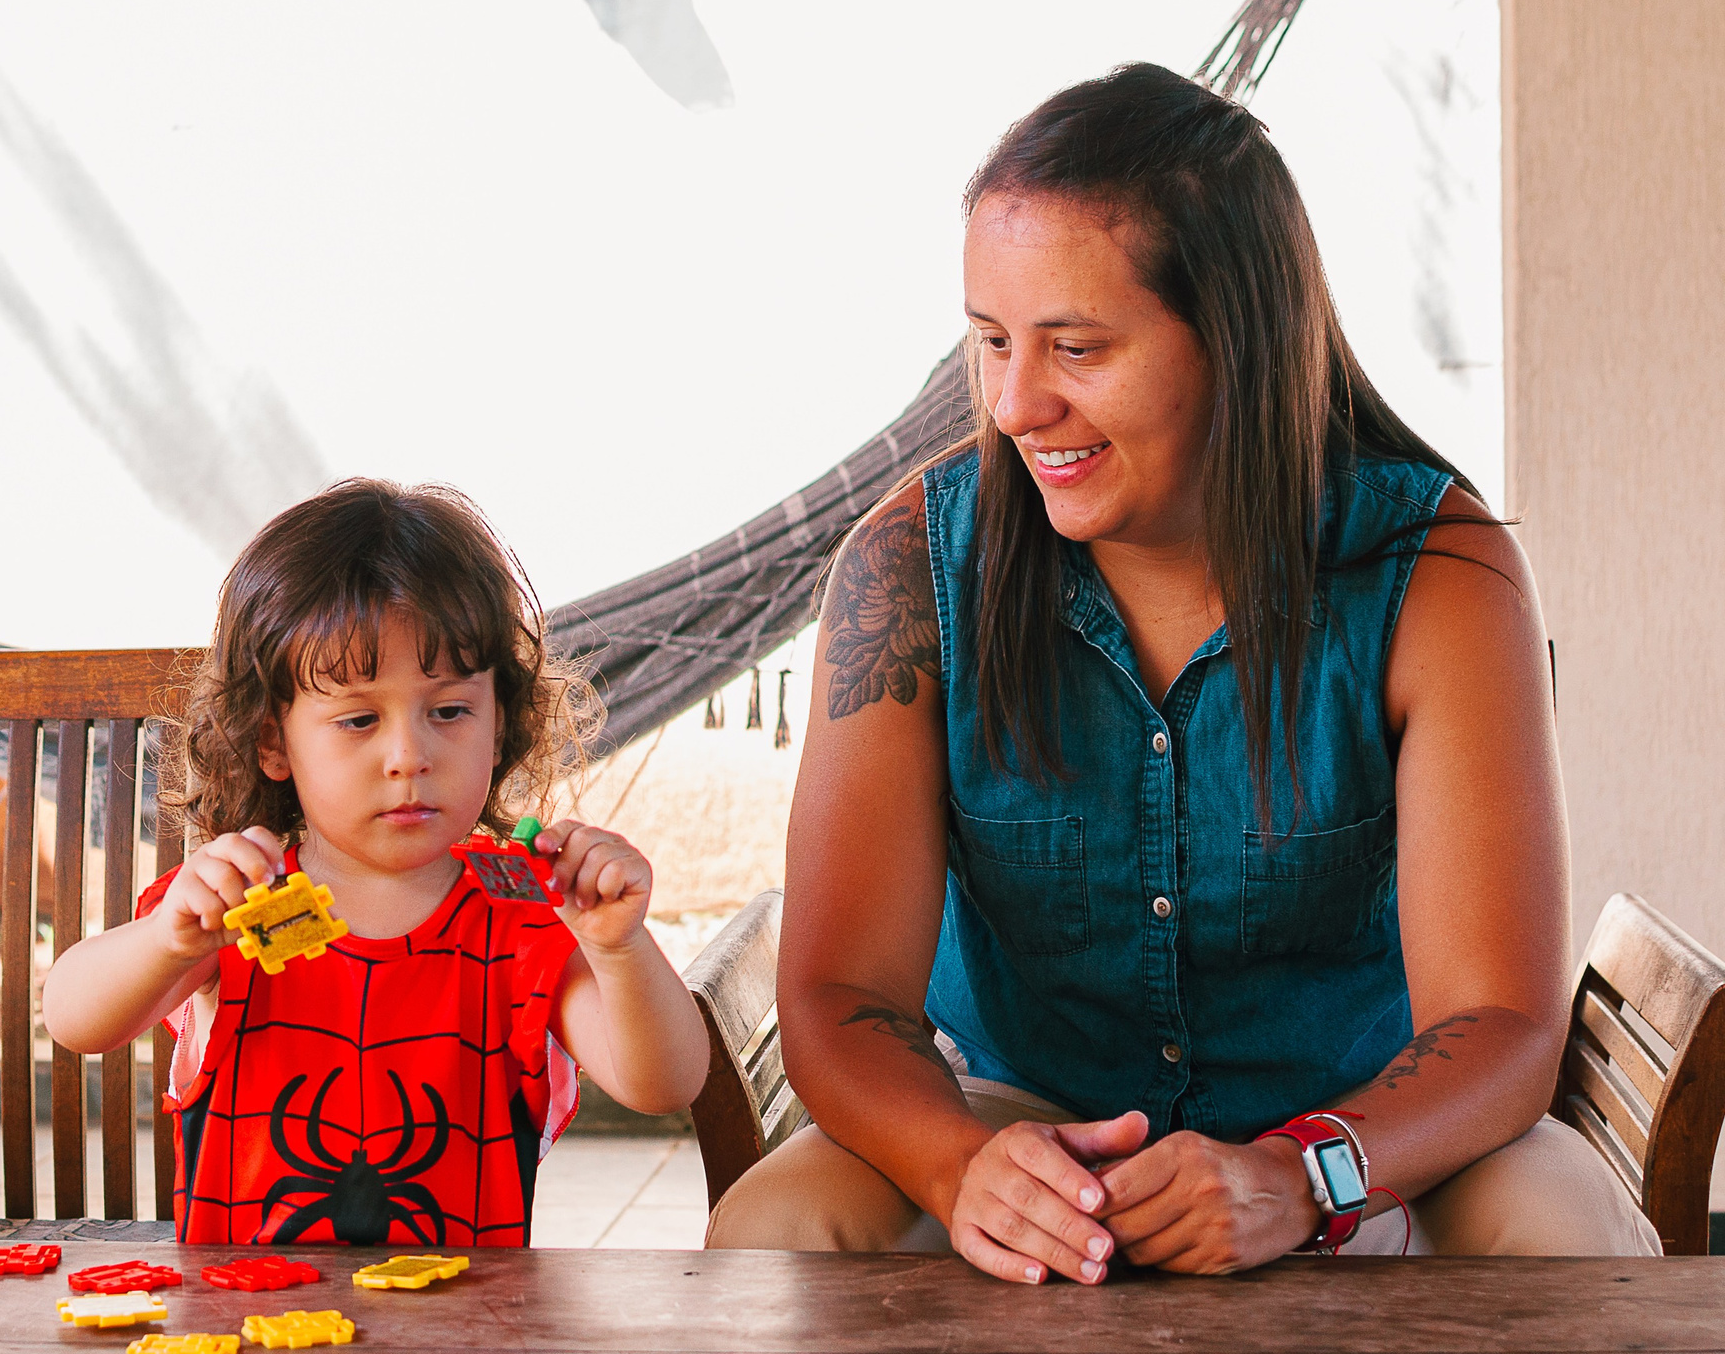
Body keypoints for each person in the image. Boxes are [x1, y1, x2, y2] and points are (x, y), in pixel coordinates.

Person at [706, 63, 1657, 1274]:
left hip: (1367, 1131)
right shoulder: (906, 571)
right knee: (775, 1228)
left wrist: (1300, 1175)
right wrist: (961, 1168)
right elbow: (839, 993)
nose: (1013, 403)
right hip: (1016, 1114)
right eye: (990, 342)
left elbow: (1504, 1023)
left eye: (1076, 348)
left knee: (1566, 1236)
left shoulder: (1442, 575)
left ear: (1237, 343)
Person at [43, 478, 709, 1246]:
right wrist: (166, 940)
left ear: (500, 725)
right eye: (359, 719)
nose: (408, 755)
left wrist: (619, 947)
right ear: (272, 741)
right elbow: (73, 1017)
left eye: (449, 710)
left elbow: (665, 1083)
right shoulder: (235, 906)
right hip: (246, 1315)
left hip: (466, 1314)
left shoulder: (523, 919)